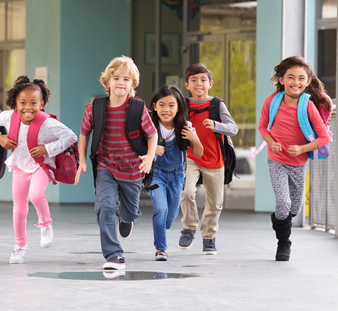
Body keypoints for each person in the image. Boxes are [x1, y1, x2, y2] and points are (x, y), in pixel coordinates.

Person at [0, 75, 77, 264]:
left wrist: (46, 149)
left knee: (36, 195)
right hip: (20, 167)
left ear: (42, 103)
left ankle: (46, 225)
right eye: (22, 102)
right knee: (18, 211)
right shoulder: (9, 117)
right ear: (14, 103)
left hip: (41, 165)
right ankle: (20, 247)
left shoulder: (47, 123)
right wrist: (0, 138)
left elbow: (70, 137)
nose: (28, 107)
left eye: (34, 102)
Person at [75, 56, 157, 271]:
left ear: (132, 84)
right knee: (104, 206)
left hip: (132, 168)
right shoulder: (95, 108)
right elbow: (84, 133)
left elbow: (152, 134)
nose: (121, 82)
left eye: (126, 79)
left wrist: (149, 157)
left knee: (131, 211)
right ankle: (113, 254)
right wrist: (82, 160)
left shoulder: (138, 108)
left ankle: (126, 215)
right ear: (107, 82)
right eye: (116, 78)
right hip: (106, 166)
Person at [258, 56, 329, 261]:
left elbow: (323, 137)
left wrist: (302, 148)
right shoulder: (271, 101)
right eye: (290, 77)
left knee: (294, 209)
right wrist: (271, 142)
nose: (295, 82)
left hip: (299, 163)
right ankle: (284, 243)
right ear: (281, 79)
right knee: (283, 202)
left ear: (307, 82)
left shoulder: (308, 105)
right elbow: (263, 127)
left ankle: (282, 225)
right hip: (276, 160)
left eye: (300, 78)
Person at [178, 63, 238, 255]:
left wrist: (216, 125)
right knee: (186, 192)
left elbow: (233, 128)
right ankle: (189, 227)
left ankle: (209, 237)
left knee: (215, 203)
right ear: (187, 85)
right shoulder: (183, 105)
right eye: (194, 80)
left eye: (203, 80)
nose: (199, 84)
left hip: (214, 159)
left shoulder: (217, 104)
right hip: (190, 157)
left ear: (210, 83)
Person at [148, 85, 203, 261]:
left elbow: (200, 153)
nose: (166, 109)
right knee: (160, 209)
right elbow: (138, 149)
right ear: (154, 106)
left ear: (178, 107)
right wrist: (151, 149)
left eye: (171, 105)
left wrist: (195, 139)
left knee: (170, 215)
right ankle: (161, 249)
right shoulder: (149, 126)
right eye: (162, 104)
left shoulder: (185, 126)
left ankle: (160, 229)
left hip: (177, 175)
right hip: (156, 174)